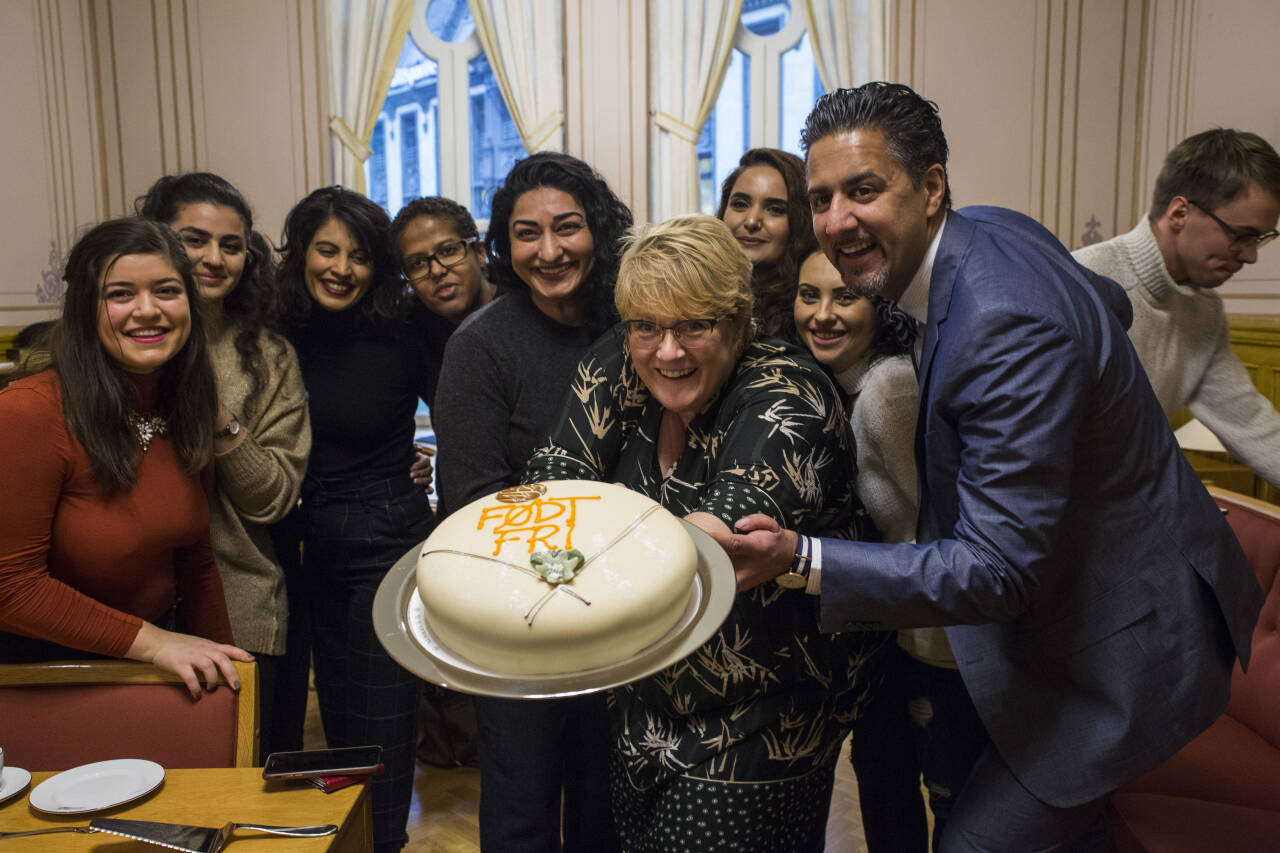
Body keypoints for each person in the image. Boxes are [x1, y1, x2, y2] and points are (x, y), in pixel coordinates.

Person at [714, 82, 1264, 851]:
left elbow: (998, 569)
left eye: (864, 190)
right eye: (823, 196)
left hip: (1129, 638)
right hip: (1088, 598)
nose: (836, 220)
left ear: (931, 187)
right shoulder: (994, 229)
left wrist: (798, 557)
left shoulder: (1004, 324)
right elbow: (1111, 301)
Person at [522, 215, 887, 853]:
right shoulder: (624, 354)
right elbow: (553, 493)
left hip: (759, 722)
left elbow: (705, 547)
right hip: (644, 709)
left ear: (739, 321)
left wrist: (570, 558)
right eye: (649, 326)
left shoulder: (786, 390)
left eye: (696, 324)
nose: (669, 349)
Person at [432, 152, 631, 853]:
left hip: (624, 613)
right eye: (526, 233)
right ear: (502, 245)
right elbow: (475, 505)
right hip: (517, 624)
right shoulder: (480, 347)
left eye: (567, 227)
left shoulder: (633, 323)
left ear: (598, 230)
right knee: (521, 810)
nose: (548, 251)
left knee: (609, 806)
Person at [0, 217, 252, 699]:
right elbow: (10, 586)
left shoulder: (185, 404)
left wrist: (229, 680)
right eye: (120, 294)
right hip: (44, 680)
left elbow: (195, 561)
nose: (148, 310)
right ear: (84, 310)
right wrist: (157, 644)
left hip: (156, 669)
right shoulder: (27, 412)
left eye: (166, 290)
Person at [794, 250, 986, 850]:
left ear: (881, 312)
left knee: (952, 807)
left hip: (942, 645)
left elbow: (946, 538)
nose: (822, 315)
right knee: (885, 794)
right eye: (807, 295)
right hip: (894, 638)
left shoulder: (891, 390)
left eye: (843, 297)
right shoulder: (838, 386)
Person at [277, 186, 438, 853]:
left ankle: (381, 844)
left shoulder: (404, 330)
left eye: (360, 255)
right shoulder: (278, 329)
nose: (341, 267)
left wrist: (435, 466)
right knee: (327, 721)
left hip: (383, 543)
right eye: (327, 250)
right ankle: (341, 838)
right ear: (301, 253)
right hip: (293, 545)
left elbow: (468, 410)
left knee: (380, 723)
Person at [136, 172, 311, 758]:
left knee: (248, 795)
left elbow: (272, 498)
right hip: (130, 615)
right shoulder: (124, 341)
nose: (213, 258)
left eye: (231, 245)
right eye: (194, 239)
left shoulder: (268, 356)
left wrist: (218, 415)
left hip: (241, 611)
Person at [1073, 129, 1280, 489]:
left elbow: (1250, 423)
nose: (1250, 255)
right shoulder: (1081, 282)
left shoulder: (1204, 314)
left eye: (1261, 239)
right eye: (1241, 236)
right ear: (1180, 213)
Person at [390, 195, 495, 769]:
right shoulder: (418, 330)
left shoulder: (524, 306)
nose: (437, 271)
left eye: (448, 252)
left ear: (477, 250)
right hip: (461, 501)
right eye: (418, 263)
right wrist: (396, 451)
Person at [716, 148, 818, 337]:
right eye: (740, 204)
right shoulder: (698, 292)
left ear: (800, 221)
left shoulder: (814, 310)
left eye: (775, 209)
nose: (752, 221)